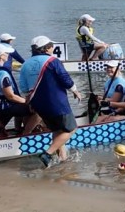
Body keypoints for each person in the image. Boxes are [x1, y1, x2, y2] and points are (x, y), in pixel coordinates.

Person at [27, 36, 83, 167]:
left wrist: (30, 102)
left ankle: (62, 160)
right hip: (56, 103)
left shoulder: (26, 64)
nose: (53, 47)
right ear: (47, 48)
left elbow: (24, 87)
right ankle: (48, 153)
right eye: (52, 45)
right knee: (71, 129)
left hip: (38, 104)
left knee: (57, 131)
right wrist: (75, 90)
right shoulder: (53, 61)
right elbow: (64, 78)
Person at [0, 43, 36, 136]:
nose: (8, 55)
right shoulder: (3, 74)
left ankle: (17, 129)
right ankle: (27, 134)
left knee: (21, 104)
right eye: (7, 53)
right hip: (4, 107)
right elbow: (10, 96)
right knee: (38, 109)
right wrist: (28, 102)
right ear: (2, 56)